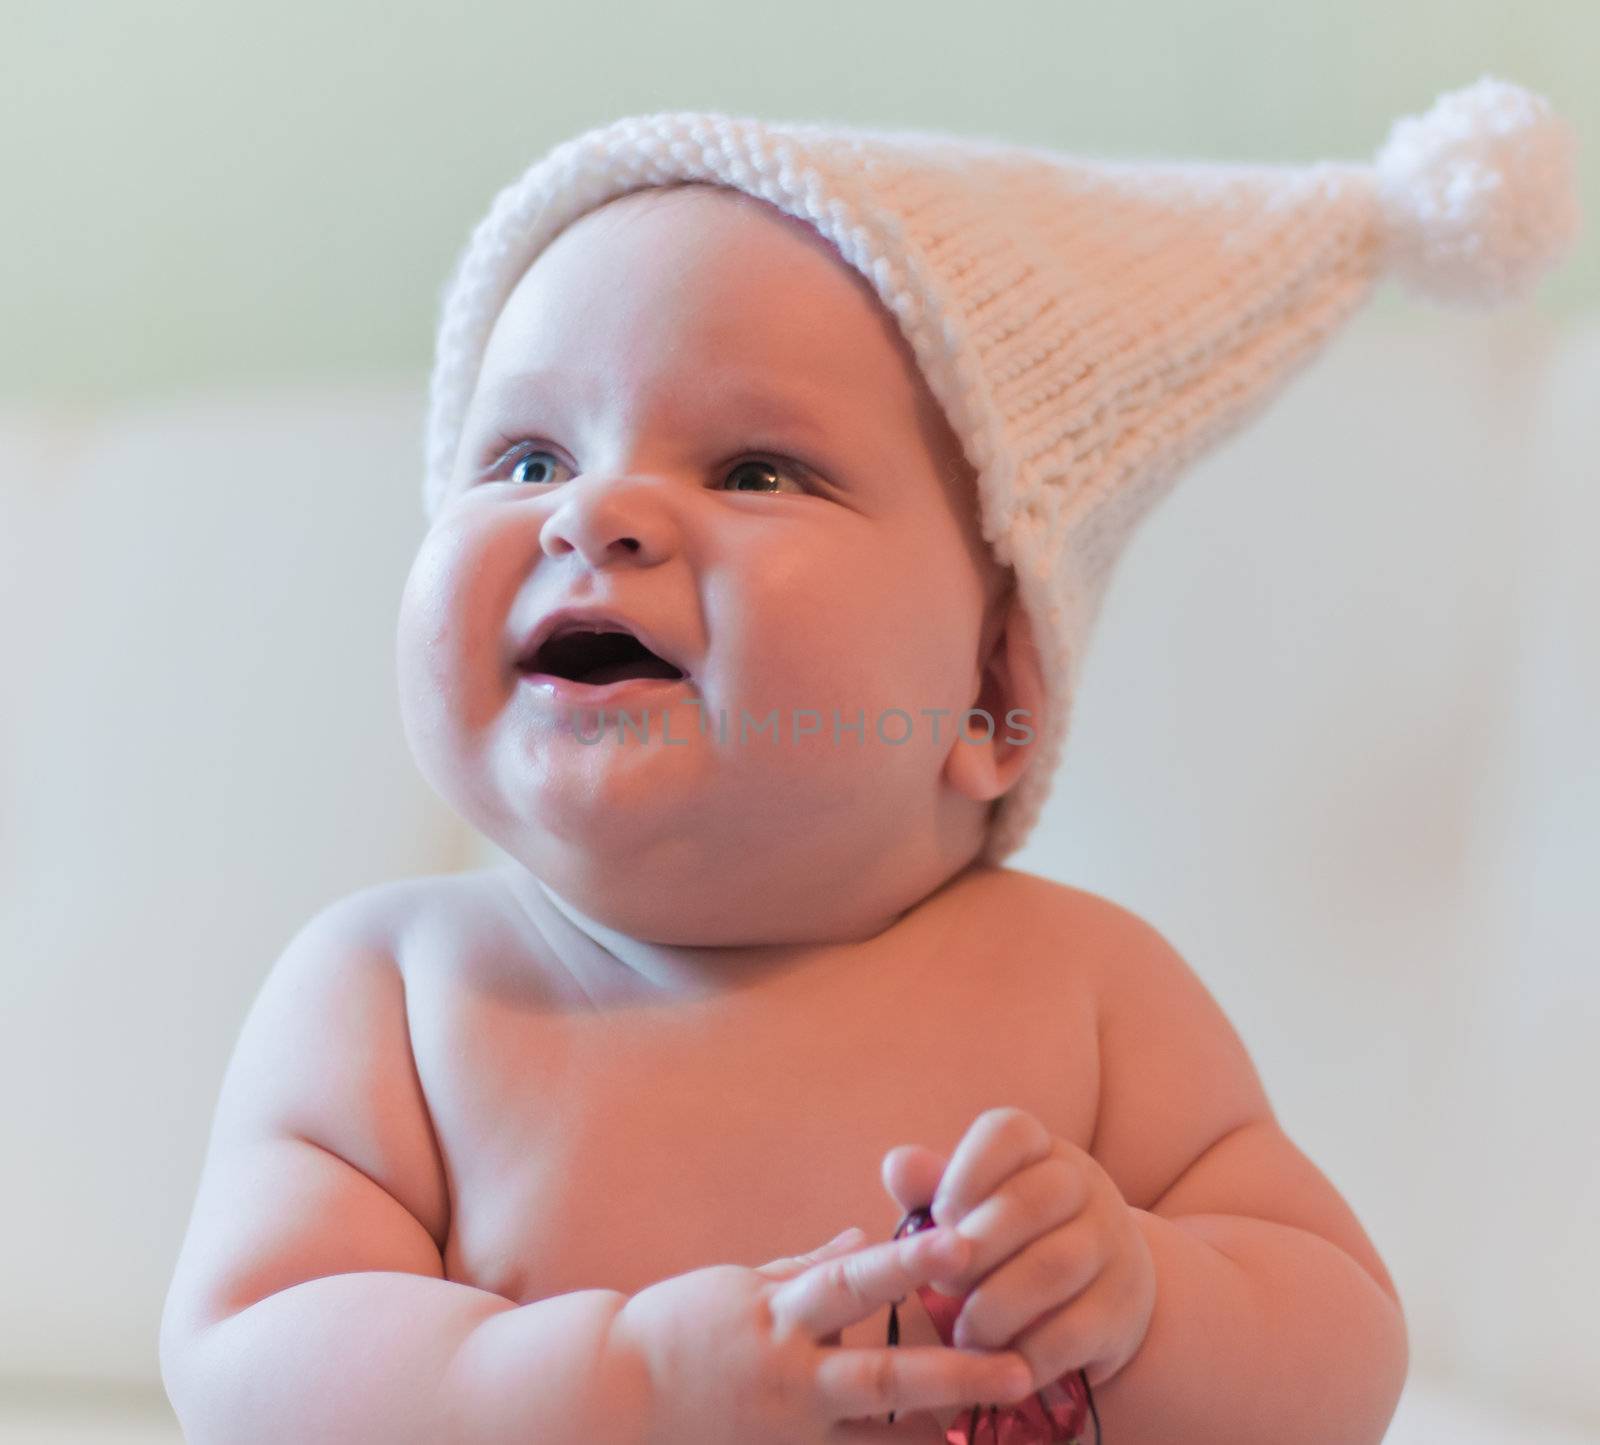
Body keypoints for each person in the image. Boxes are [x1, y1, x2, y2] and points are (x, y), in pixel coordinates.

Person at [159, 75, 1579, 1444]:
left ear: (990, 693)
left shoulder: (1089, 993)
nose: (591, 515)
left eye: (753, 468)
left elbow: (1342, 1354)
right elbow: (247, 1355)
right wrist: (621, 1386)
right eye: (526, 458)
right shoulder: (393, 998)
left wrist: (1147, 1303)